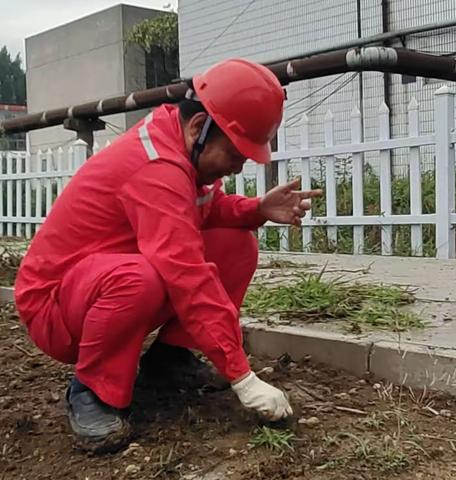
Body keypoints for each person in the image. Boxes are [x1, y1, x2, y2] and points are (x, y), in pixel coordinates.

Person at [14, 58, 321, 451]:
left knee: (235, 240)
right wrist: (241, 376)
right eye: (233, 156)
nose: (233, 168)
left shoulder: (176, 147)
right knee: (146, 277)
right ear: (198, 128)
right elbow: (187, 274)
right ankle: (92, 390)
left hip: (98, 283)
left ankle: (170, 360)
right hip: (54, 306)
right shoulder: (156, 166)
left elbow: (205, 210)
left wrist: (256, 210)